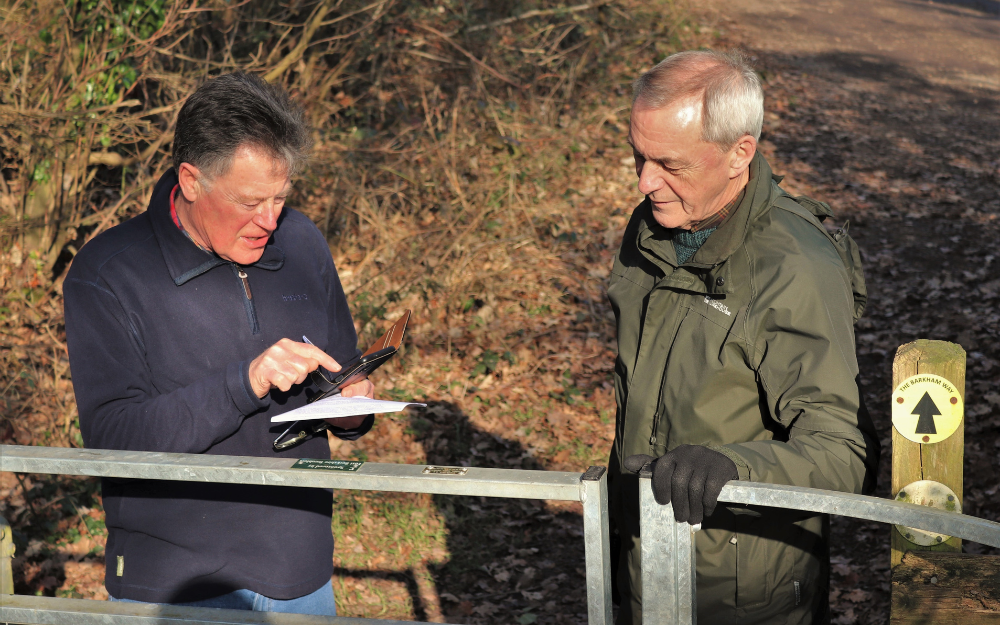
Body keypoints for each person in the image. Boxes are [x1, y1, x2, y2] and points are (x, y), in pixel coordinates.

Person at [63, 72, 374, 614]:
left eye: (281, 198)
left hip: (301, 573)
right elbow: (114, 439)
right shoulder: (108, 273)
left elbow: (343, 370)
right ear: (190, 180)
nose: (269, 220)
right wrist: (245, 382)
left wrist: (353, 408)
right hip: (175, 588)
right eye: (250, 201)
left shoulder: (302, 241)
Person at [607, 50, 879, 624]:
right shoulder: (652, 226)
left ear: (740, 153)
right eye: (638, 155)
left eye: (669, 164)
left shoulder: (793, 267)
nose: (645, 181)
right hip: (643, 562)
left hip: (745, 597)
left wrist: (733, 466)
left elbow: (844, 452)